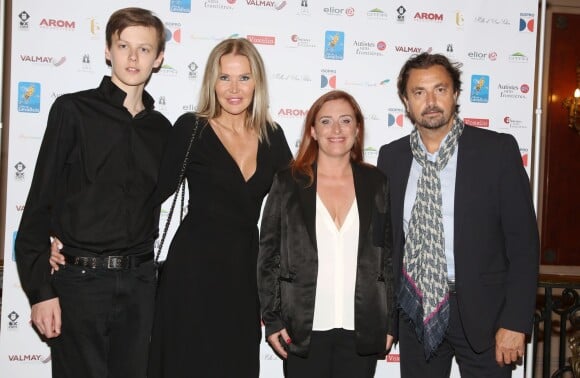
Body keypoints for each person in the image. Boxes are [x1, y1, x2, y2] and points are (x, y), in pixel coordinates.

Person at [15, 7, 170, 378]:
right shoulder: (72, 110)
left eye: (144, 49)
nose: (133, 57)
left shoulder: (163, 131)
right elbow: (39, 203)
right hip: (79, 284)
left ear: (159, 58)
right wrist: (40, 290)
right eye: (123, 46)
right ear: (107, 51)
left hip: (139, 286)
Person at [376, 52, 539, 377]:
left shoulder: (497, 151)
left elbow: (523, 244)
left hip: (486, 312)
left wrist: (516, 321)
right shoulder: (392, 157)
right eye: (419, 92)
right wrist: (385, 318)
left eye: (440, 89)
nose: (431, 101)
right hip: (416, 307)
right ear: (406, 102)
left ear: (455, 95)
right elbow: (386, 246)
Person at [147, 38, 292, 377]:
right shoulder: (192, 128)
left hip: (243, 274)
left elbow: (298, 205)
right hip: (191, 271)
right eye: (224, 77)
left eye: (244, 77)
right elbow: (152, 194)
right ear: (212, 81)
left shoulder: (272, 136)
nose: (234, 89)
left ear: (257, 82)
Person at [258, 90, 395, 378]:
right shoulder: (288, 183)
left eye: (345, 121)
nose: (336, 130)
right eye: (326, 121)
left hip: (362, 328)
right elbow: (268, 256)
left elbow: (390, 257)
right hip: (303, 329)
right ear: (313, 131)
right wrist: (272, 319)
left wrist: (390, 322)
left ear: (357, 129)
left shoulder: (376, 183)